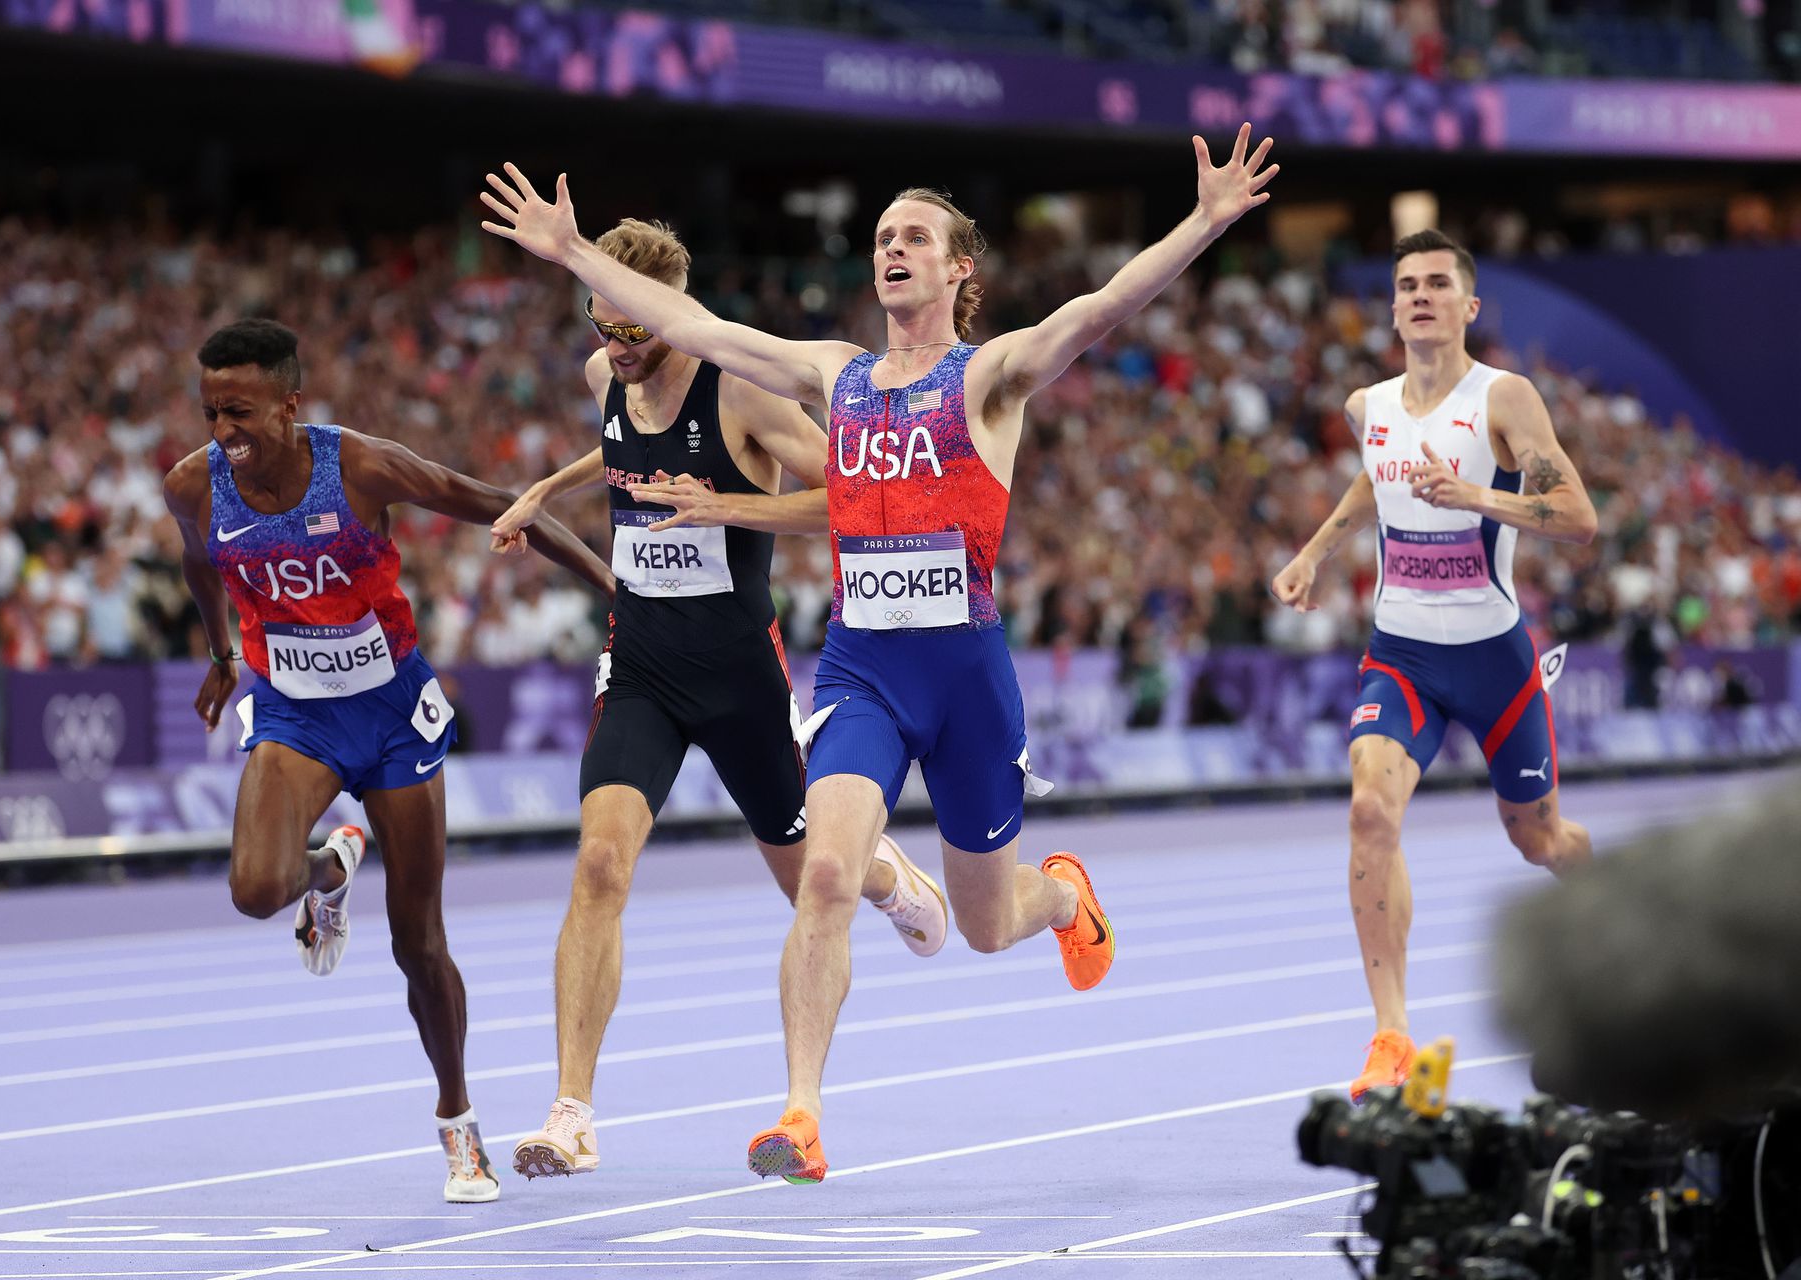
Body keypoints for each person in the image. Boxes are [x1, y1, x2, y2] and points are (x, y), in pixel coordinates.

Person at [479, 122, 1279, 1182]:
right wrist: (575, 254)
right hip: (864, 666)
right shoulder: (833, 373)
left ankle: (1065, 897)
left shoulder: (989, 378)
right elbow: (694, 324)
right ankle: (801, 1115)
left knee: (991, 921)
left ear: (958, 268)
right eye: (881, 236)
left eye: (915, 235)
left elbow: (1103, 309)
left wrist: (1204, 221)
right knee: (823, 871)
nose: (891, 248)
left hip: (966, 676)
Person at [485, 219, 948, 1181]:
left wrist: (729, 505)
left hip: (741, 681)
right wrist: (545, 489)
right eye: (601, 324)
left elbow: (853, 498)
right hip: (643, 668)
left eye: (634, 329)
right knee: (599, 866)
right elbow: (616, 456)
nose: (616, 345)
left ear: (676, 317)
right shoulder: (601, 378)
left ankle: (891, 877)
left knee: (812, 881)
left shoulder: (739, 390)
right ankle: (572, 1112)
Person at [161, 318, 613, 1201]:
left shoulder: (360, 466)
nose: (225, 434)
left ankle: (459, 1127)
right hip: (295, 713)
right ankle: (329, 865)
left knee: (421, 945)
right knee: (256, 890)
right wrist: (221, 655)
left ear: (292, 404)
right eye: (212, 413)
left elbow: (502, 503)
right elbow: (197, 565)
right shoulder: (194, 486)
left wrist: (618, 593)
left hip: (395, 716)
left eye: (243, 413)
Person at [1269, 229, 1599, 1102]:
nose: (1420, 295)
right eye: (1406, 284)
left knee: (1537, 839)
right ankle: (1391, 1036)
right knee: (1370, 811)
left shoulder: (1505, 399)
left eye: (1437, 284)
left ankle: (1604, 899)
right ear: (1393, 307)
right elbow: (1372, 485)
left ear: (1469, 305)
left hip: (1495, 661)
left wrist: (1478, 495)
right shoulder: (1366, 407)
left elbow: (1577, 515)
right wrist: (1313, 552)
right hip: (1403, 655)